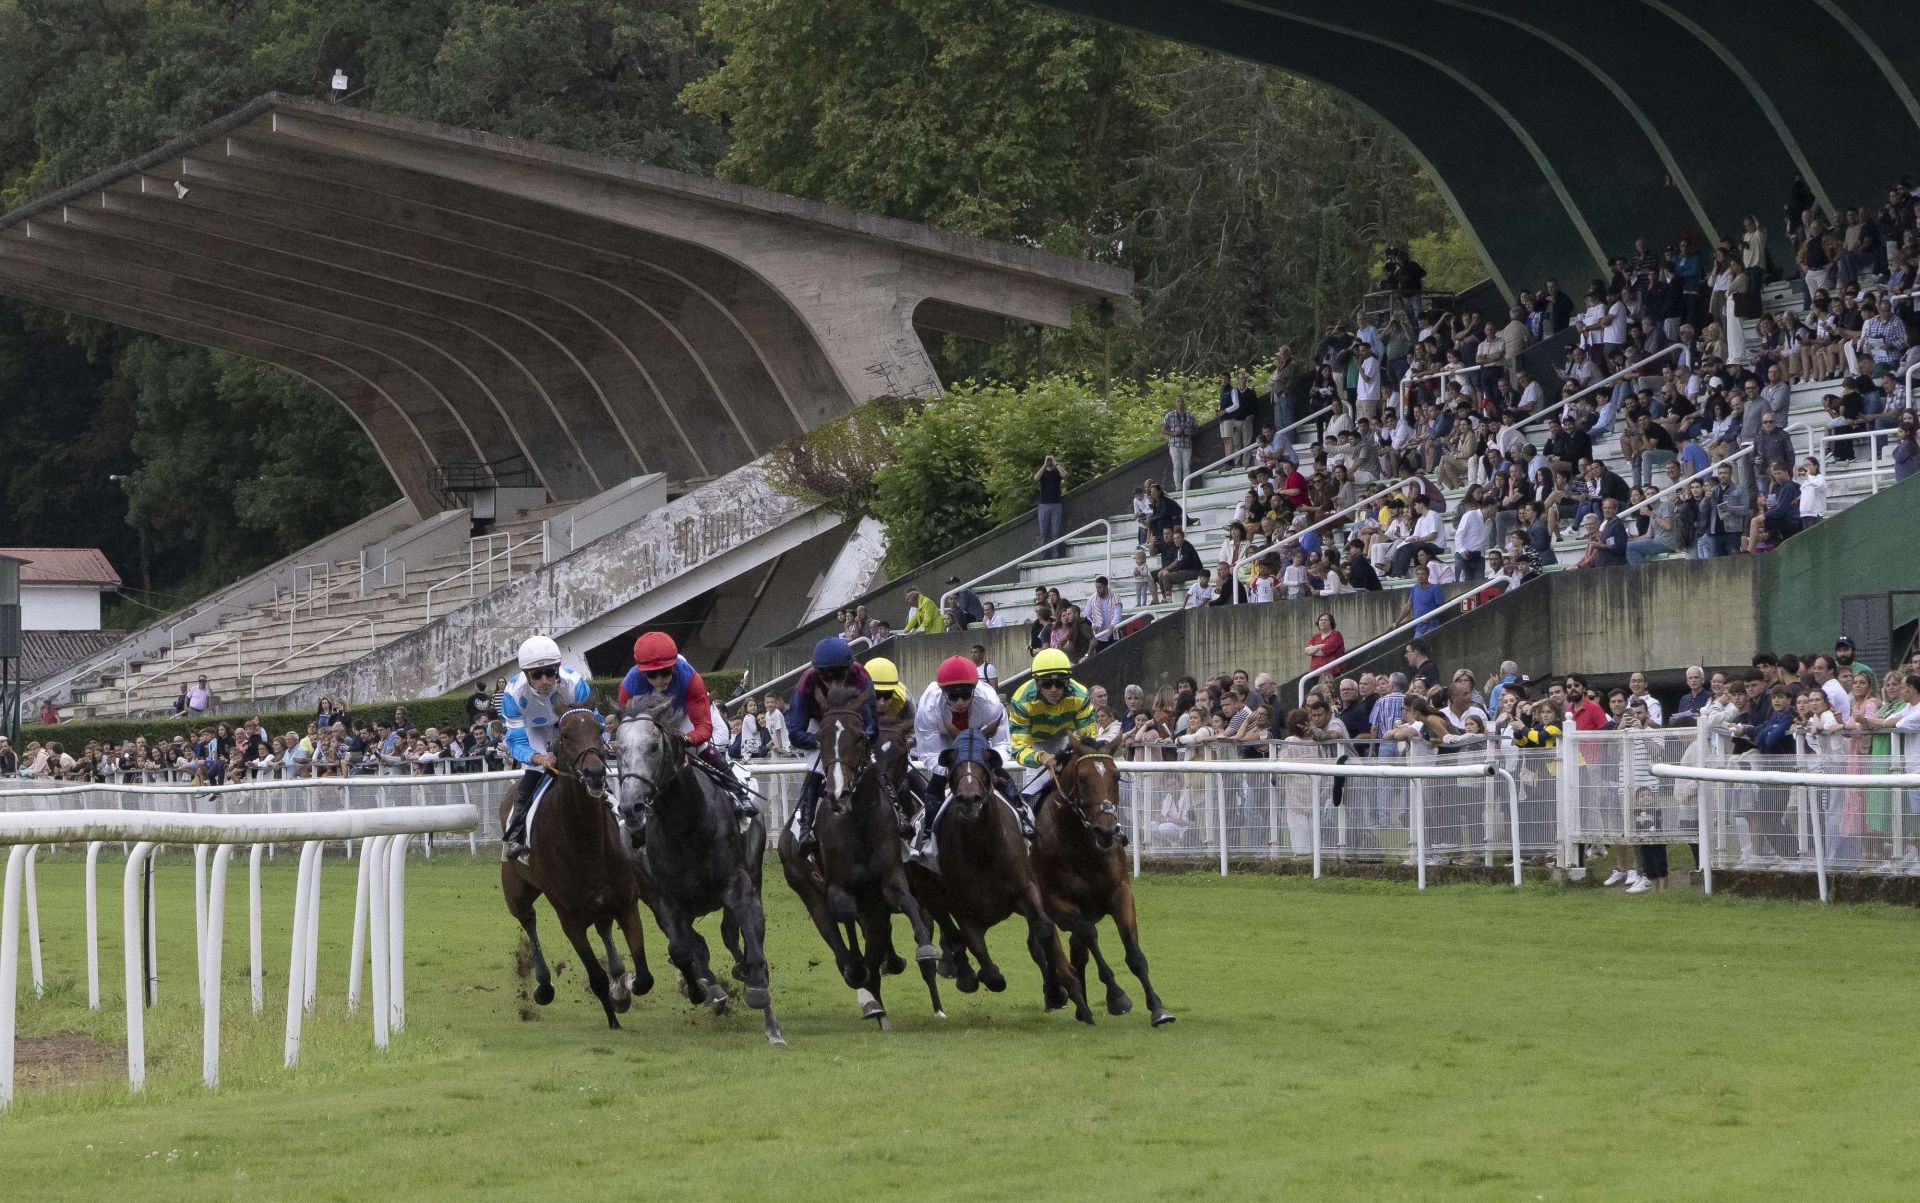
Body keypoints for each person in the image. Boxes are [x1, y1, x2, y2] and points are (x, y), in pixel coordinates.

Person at [498, 635, 595, 863]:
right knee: (535, 773)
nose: (545, 680)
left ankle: (618, 814)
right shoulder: (512, 694)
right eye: (537, 675)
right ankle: (514, 833)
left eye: (550, 672)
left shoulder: (575, 683)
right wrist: (539, 758)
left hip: (568, 726)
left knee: (590, 768)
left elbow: (594, 720)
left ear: (558, 669)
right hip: (533, 731)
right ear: (525, 674)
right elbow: (516, 743)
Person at [910, 656, 1012, 857]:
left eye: (965, 696)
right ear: (942, 692)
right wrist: (952, 773)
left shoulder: (991, 702)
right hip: (946, 746)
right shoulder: (928, 705)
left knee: (1008, 785)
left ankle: (1024, 821)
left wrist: (986, 768)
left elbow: (1001, 745)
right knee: (933, 792)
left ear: (974, 689)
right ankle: (927, 836)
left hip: (980, 747)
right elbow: (930, 754)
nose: (959, 702)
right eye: (953, 697)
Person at [788, 637, 877, 854]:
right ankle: (806, 830)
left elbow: (872, 727)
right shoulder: (806, 682)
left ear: (849, 669)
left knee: (876, 762)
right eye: (828, 678)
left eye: (840, 675)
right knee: (816, 767)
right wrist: (822, 741)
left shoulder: (861, 675)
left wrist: (856, 743)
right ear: (817, 673)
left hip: (852, 725)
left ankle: (900, 815)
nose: (835, 684)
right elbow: (795, 734)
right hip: (818, 725)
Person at [1005, 648, 1098, 838]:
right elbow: (1020, 749)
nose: (1054, 689)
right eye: (1047, 684)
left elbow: (1087, 739)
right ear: (1037, 682)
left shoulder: (1080, 694)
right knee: (1037, 784)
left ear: (1067, 681)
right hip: (1035, 743)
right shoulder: (1021, 700)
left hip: (1066, 740)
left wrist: (1071, 755)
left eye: (1059, 683)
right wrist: (1041, 757)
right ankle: (1027, 825)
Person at [1163, 391, 1198, 485]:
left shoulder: (1190, 415)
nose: (1180, 403)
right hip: (1174, 444)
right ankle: (1178, 486)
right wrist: (1174, 433)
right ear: (1175, 403)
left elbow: (1196, 429)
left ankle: (1186, 486)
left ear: (1185, 403)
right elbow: (1163, 430)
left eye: (1182, 401)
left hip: (1187, 444)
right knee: (1177, 466)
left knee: (1186, 466)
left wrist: (1190, 433)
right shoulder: (1169, 415)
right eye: (1178, 401)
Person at [1034, 455, 1065, 556]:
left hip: (1056, 504)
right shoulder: (1043, 473)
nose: (1050, 462)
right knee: (1044, 532)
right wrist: (1044, 465)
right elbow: (1036, 478)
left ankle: (1056, 554)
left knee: (1056, 531)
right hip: (1044, 505)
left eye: (1050, 460)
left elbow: (1064, 475)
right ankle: (1044, 555)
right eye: (1049, 460)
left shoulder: (1057, 472)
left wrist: (1056, 463)